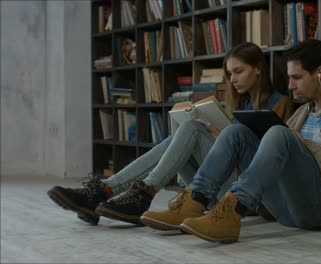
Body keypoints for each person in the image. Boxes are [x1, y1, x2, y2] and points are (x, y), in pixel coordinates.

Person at [140, 39, 321, 243]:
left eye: (296, 77)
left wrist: (307, 147)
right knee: (237, 132)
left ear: (320, 74)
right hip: (285, 208)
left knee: (278, 132)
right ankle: (194, 201)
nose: (290, 85)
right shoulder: (304, 112)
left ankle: (232, 211)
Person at [47, 42, 295, 225]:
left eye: (238, 71)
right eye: (229, 73)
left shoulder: (281, 104)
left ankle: (130, 193)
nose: (232, 80)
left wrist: (226, 141)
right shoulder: (237, 105)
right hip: (218, 183)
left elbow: (274, 160)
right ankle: (106, 191)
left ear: (258, 69)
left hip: (249, 196)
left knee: (191, 130)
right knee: (178, 136)